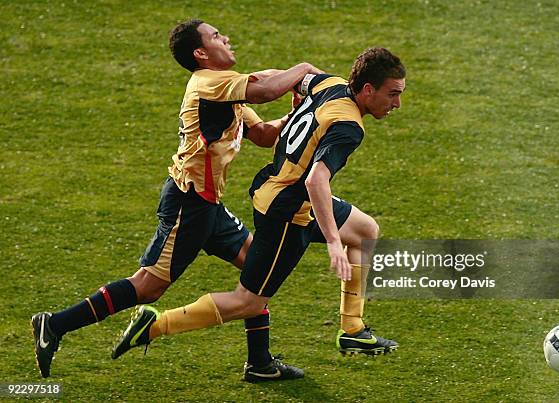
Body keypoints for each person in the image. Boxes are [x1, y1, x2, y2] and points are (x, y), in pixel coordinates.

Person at [31, 18, 323, 381]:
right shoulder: (207, 82)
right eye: (217, 36)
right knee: (148, 287)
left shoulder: (227, 89)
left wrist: (297, 112)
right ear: (201, 53)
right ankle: (55, 324)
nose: (226, 38)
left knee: (258, 271)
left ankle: (260, 364)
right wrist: (305, 70)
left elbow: (263, 134)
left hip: (208, 205)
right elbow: (265, 90)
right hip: (189, 203)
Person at [111, 48, 406, 371]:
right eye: (392, 94)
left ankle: (352, 330)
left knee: (365, 231)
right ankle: (153, 325)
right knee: (248, 301)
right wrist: (334, 242)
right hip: (286, 212)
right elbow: (316, 182)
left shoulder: (329, 84)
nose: (397, 104)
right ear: (367, 90)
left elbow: (285, 78)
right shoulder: (348, 127)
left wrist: (254, 87)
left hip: (280, 190)